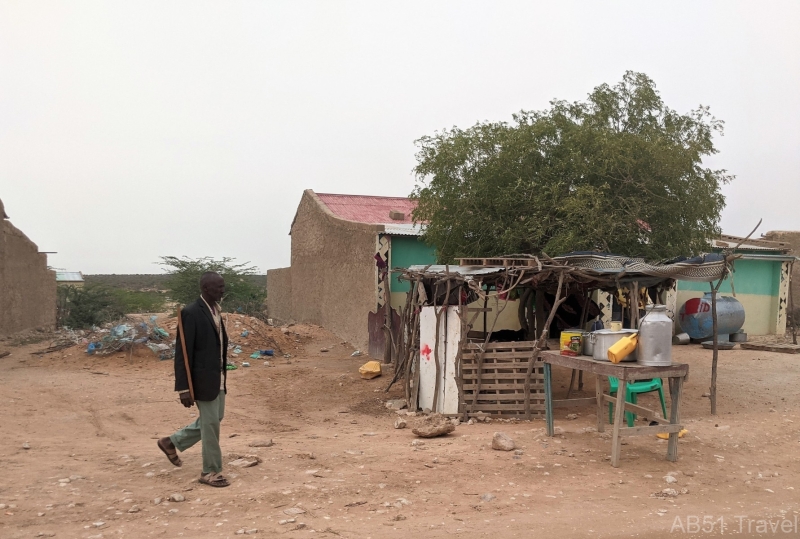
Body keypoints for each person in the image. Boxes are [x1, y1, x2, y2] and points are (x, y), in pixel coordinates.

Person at [157, 271, 230, 487]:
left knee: (215, 419)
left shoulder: (216, 311)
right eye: (219, 287)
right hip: (202, 381)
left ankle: (172, 442)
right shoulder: (191, 313)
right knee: (210, 427)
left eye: (223, 286)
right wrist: (183, 388)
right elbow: (183, 354)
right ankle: (210, 471)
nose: (222, 290)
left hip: (219, 378)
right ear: (206, 289)